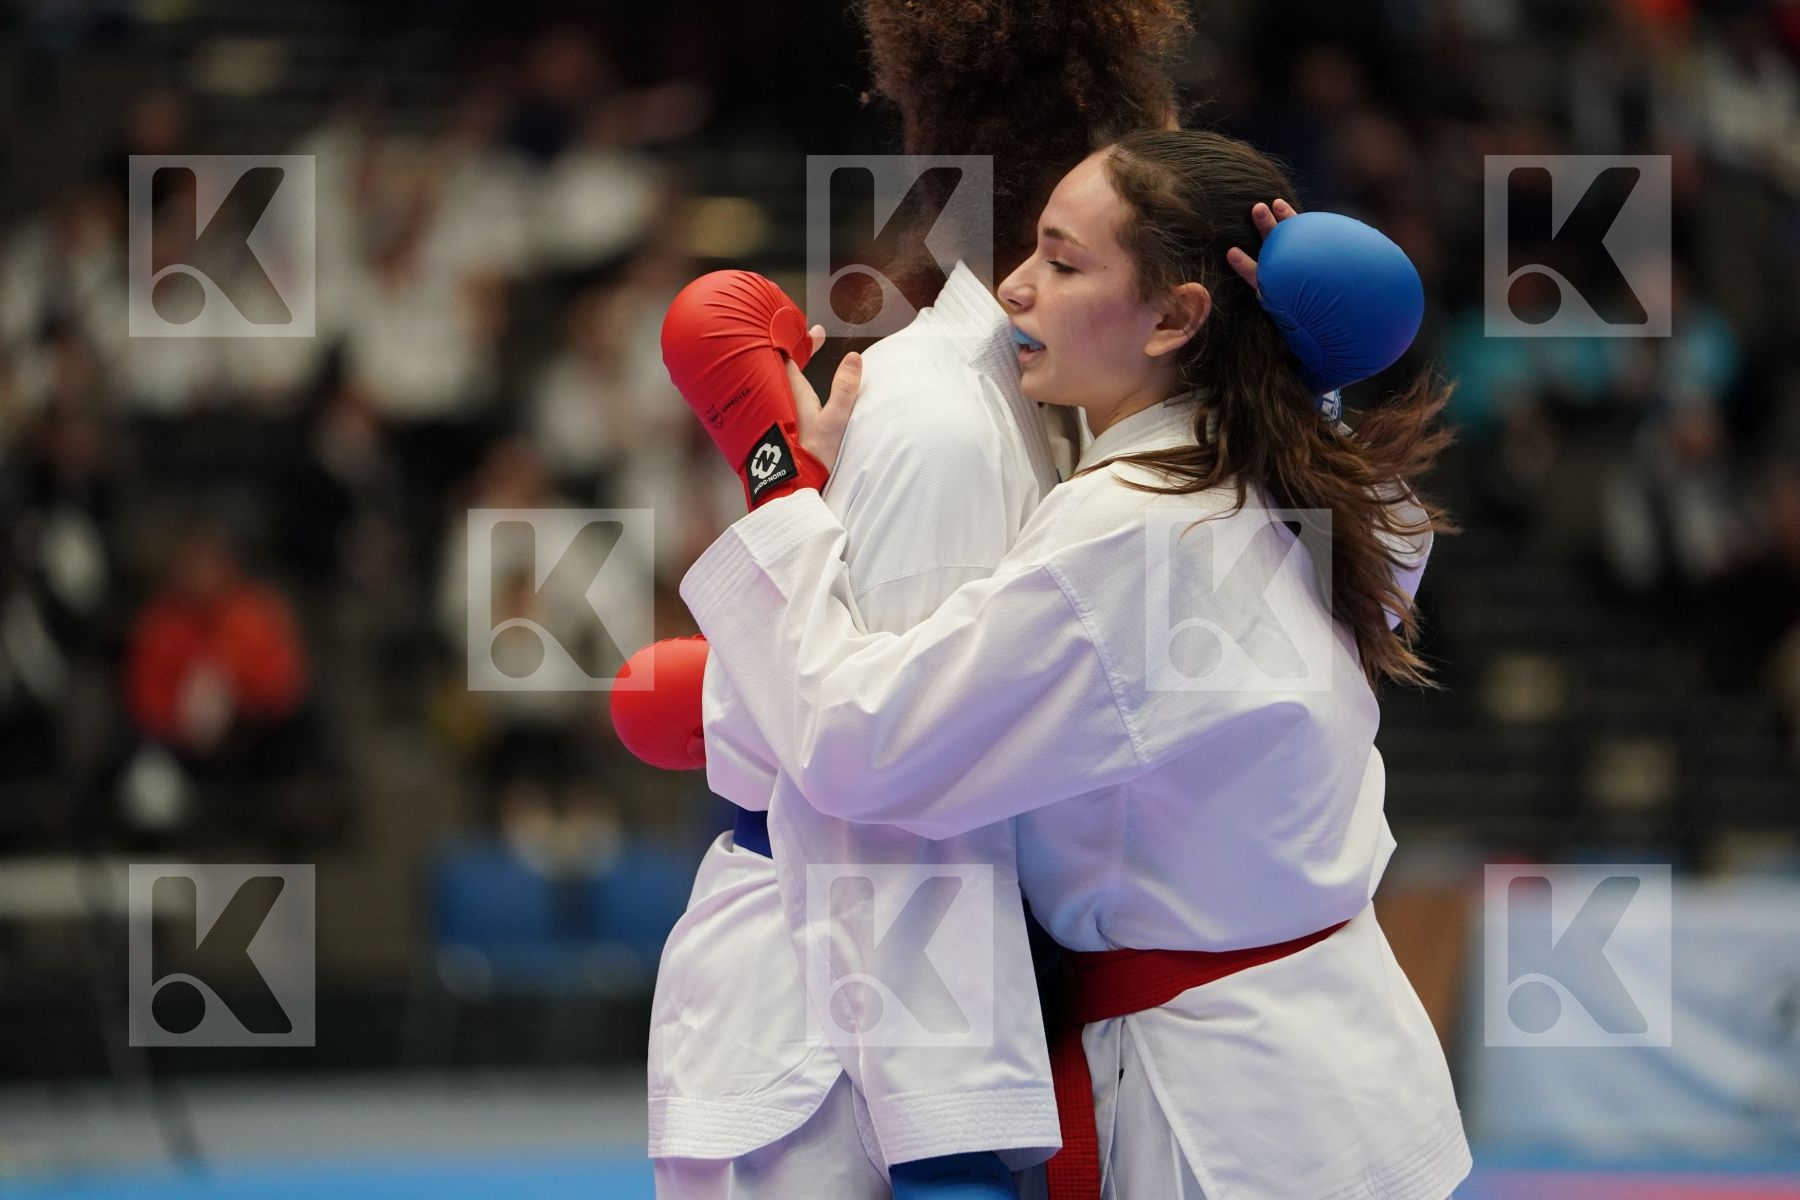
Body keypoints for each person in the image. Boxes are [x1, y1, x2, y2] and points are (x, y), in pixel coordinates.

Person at [673, 129, 1472, 1199]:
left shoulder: (1132, 531)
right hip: (1347, 1074)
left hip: (1219, 1118)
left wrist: (777, 476)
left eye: (1062, 260)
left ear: (1180, 314)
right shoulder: (1337, 491)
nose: (1012, 286)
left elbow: (857, 746)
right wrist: (1299, 359)